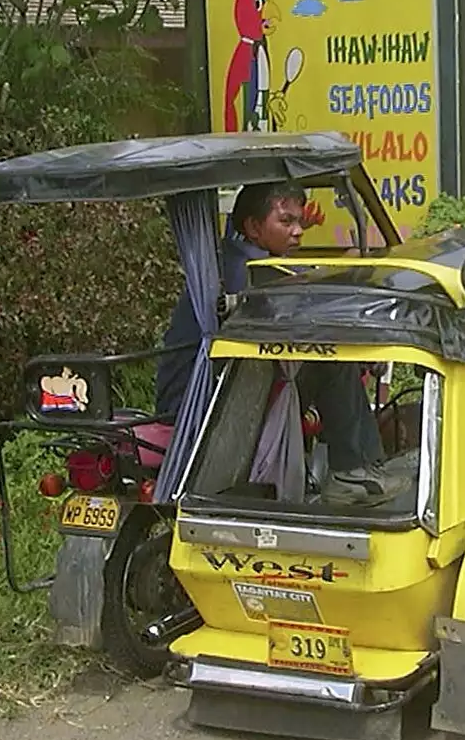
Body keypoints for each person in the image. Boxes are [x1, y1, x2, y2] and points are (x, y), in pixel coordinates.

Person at [153, 181, 402, 505]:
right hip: (207, 400)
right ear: (254, 227)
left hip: (202, 390)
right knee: (335, 362)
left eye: (300, 222)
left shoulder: (231, 258)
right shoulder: (251, 271)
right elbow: (300, 311)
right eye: (286, 222)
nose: (298, 231)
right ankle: (352, 472)